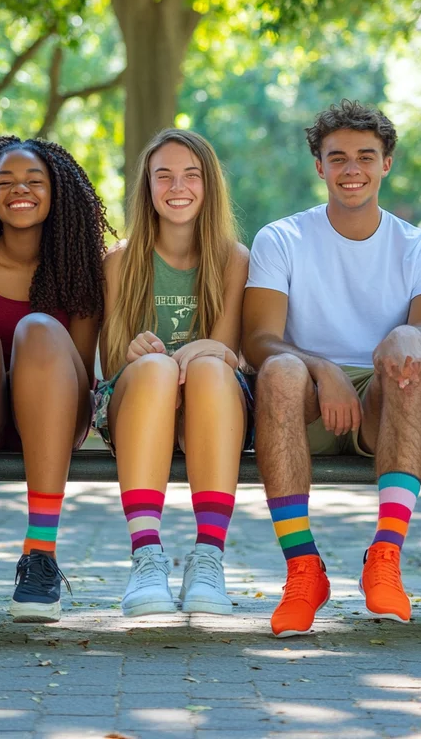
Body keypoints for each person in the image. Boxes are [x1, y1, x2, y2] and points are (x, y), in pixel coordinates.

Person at [243, 100, 421, 637]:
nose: (351, 169)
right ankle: (303, 569)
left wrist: (407, 335)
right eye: (337, 158)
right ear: (320, 167)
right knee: (280, 371)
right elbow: (260, 339)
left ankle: (385, 557)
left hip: (384, 398)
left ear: (387, 163)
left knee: (409, 366)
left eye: (366, 156)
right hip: (307, 397)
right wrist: (323, 369)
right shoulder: (281, 238)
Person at [0, 136, 112, 629]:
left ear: (56, 193)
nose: (20, 190)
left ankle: (40, 557)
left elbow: (75, 365)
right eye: (5, 181)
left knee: (38, 328)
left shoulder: (80, 268)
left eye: (35, 181)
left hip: (56, 413)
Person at [96, 128, 250, 618]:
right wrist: (137, 350)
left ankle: (208, 558)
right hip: (140, 407)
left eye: (191, 175)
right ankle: (146, 557)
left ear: (209, 187)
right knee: (156, 368)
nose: (177, 186)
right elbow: (112, 361)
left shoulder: (233, 259)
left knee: (206, 366)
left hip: (212, 408)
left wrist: (206, 350)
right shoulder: (119, 261)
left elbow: (228, 352)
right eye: (163, 175)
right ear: (147, 187)